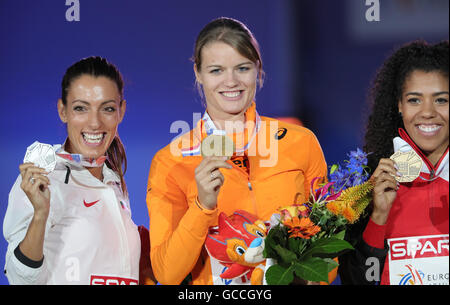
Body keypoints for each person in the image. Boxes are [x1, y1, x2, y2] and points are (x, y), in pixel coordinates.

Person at [146, 17, 334, 285]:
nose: (231, 81)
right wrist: (202, 207)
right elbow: (167, 273)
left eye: (242, 68)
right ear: (198, 73)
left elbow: (329, 253)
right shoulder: (171, 161)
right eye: (216, 71)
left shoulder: (301, 142)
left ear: (258, 70)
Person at [3, 56, 142, 284]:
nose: (95, 123)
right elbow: (20, 277)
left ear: (121, 111)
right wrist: (40, 215)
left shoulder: (114, 182)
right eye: (81, 108)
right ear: (63, 111)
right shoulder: (44, 178)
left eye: (107, 108)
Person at [338, 41, 449, 285]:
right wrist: (379, 215)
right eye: (414, 100)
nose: (428, 112)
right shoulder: (373, 183)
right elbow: (358, 282)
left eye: (441, 100)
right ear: (399, 105)